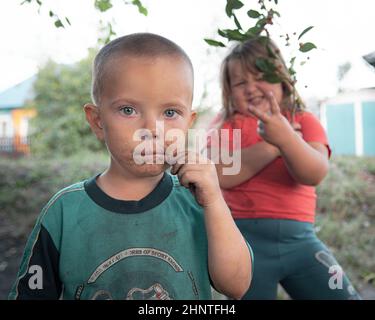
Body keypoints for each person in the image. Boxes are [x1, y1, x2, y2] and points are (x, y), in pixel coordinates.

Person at [9, 33, 252, 300]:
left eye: (170, 113)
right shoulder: (64, 212)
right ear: (97, 120)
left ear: (189, 122)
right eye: (128, 110)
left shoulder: (198, 201)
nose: (151, 129)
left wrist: (215, 201)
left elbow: (237, 286)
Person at [208, 37, 361, 300]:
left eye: (261, 76)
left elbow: (314, 173)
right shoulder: (225, 124)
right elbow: (220, 174)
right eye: (241, 82)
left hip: (300, 242)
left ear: (281, 78)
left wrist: (287, 137)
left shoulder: (302, 119)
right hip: (244, 245)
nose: (251, 87)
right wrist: (273, 147)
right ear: (229, 90)